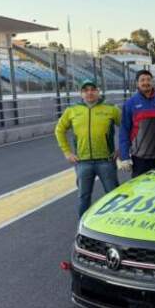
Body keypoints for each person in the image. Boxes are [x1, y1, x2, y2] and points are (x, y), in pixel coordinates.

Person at [55, 79, 121, 217]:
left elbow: (127, 128)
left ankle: (117, 227)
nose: (89, 93)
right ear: (81, 94)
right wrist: (67, 152)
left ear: (98, 91)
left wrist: (122, 149)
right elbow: (59, 130)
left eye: (93, 89)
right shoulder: (72, 111)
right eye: (85, 90)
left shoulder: (111, 109)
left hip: (106, 161)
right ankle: (83, 229)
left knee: (114, 196)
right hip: (82, 162)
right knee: (83, 198)